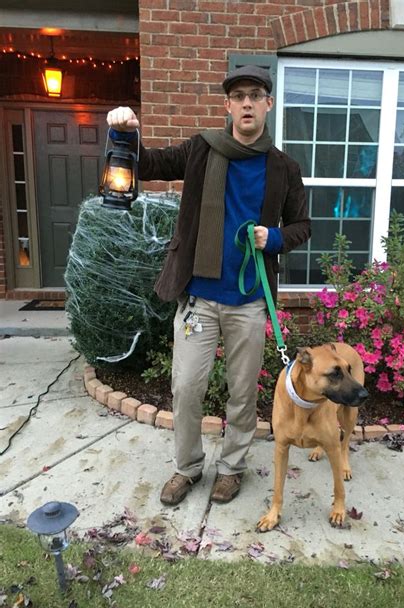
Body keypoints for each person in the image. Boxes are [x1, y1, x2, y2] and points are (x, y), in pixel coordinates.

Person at [107, 65, 310, 506]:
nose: (247, 103)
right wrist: (128, 133)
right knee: (186, 387)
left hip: (249, 301)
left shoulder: (283, 167)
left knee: (242, 392)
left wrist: (272, 237)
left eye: (255, 95)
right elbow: (153, 163)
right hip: (199, 298)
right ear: (228, 106)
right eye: (239, 97)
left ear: (268, 104)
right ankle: (187, 468)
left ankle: (232, 468)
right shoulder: (203, 149)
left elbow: (302, 226)